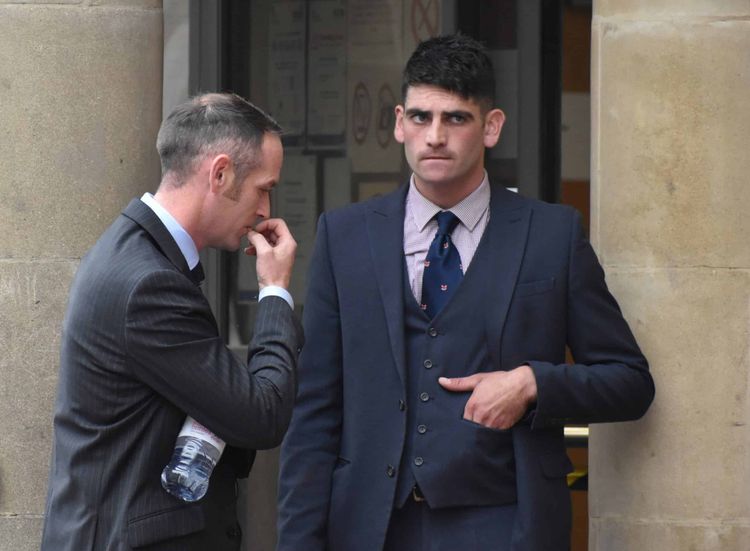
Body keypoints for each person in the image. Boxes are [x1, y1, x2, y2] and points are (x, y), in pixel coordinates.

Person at [277, 34, 654, 551]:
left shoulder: (551, 236)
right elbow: (314, 411)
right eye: (419, 117)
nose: (434, 136)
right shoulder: (345, 237)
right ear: (397, 123)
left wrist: (532, 384)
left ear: (492, 127)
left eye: (456, 118)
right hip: (371, 526)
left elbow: (630, 381)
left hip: (505, 524)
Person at [41, 93, 303, 551]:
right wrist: (276, 292)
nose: (265, 209)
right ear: (220, 173)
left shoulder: (135, 252)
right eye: (264, 187)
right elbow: (262, 415)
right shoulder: (149, 284)